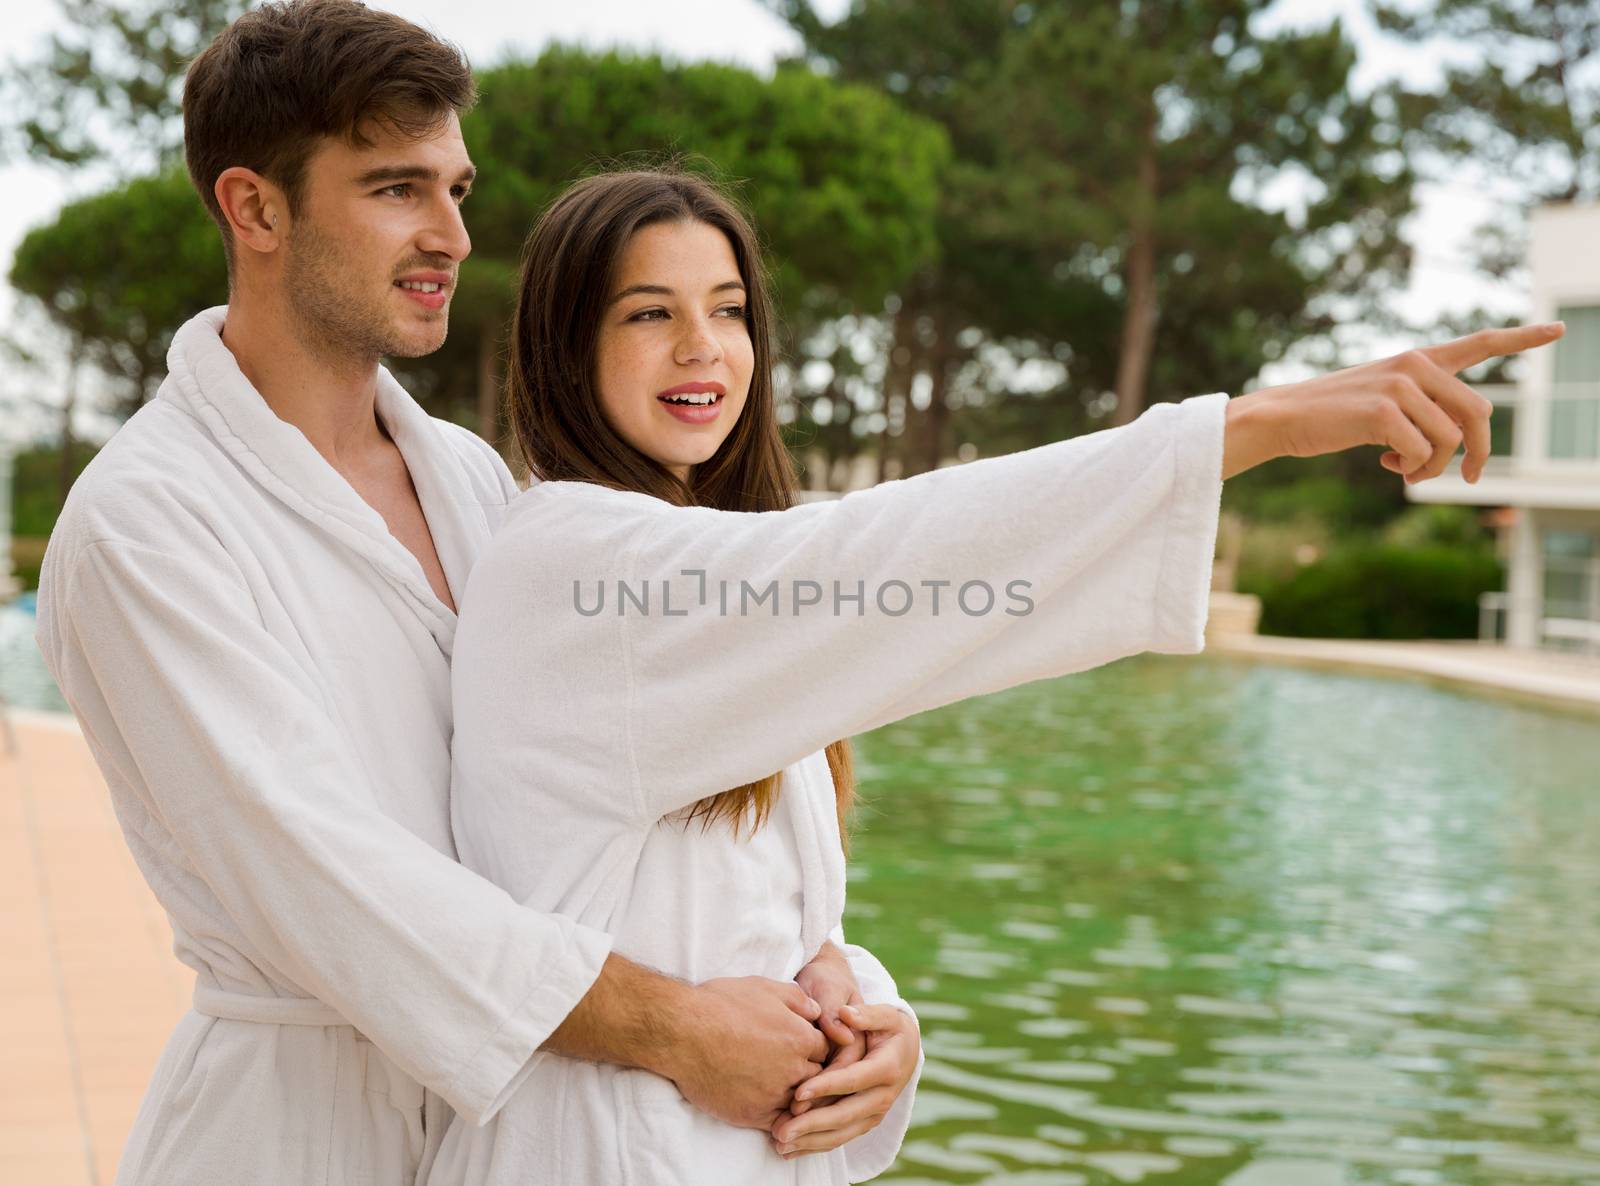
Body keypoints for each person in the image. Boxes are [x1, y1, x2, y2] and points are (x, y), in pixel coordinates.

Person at [438, 162, 1563, 1182]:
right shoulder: (575, 567)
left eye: (729, 312)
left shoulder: (709, 574)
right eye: (650, 313)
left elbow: (745, 914)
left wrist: (873, 1012)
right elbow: (895, 550)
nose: (704, 348)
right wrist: (1251, 426)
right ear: (564, 345)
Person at [33, 4, 917, 1184]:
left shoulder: (467, 476)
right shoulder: (146, 520)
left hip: (528, 1126)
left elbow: (619, 830)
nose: (451, 232)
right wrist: (678, 1030)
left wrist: (852, 996)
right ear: (253, 208)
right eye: (397, 188)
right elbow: (331, 885)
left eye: (457, 188)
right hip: (296, 1130)